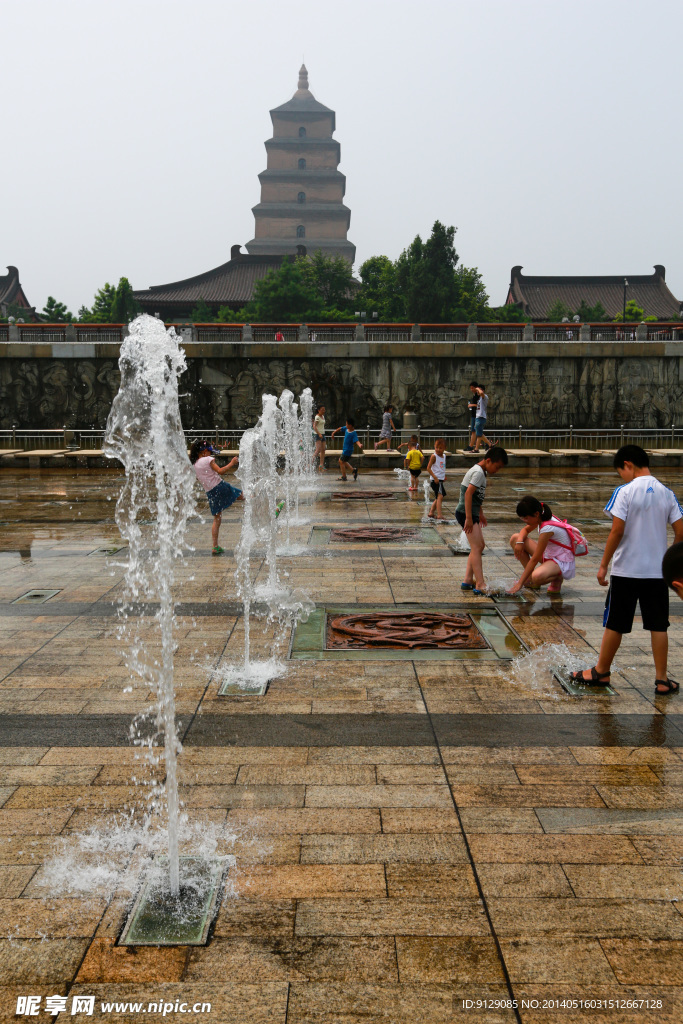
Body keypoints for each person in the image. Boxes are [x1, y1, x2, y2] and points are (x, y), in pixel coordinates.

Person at [570, 445, 683, 693]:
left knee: (615, 623)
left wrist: (603, 565)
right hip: (657, 573)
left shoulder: (624, 491)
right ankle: (662, 680)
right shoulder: (667, 493)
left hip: (626, 572)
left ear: (628, 464)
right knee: (658, 625)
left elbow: (617, 531)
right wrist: (669, 564)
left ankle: (600, 672)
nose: (621, 476)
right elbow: (681, 532)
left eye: (620, 470)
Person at [455, 446, 508, 594]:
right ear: (489, 460)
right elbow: (468, 494)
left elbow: (476, 497)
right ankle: (479, 583)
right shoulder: (478, 473)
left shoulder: (481, 471)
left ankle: (467, 580)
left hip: (471, 513)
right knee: (477, 547)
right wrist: (470, 518)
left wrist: (480, 513)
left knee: (479, 546)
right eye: (497, 467)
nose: (497, 471)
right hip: (466, 513)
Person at [507, 496, 584, 595]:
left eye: (526, 518)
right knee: (515, 538)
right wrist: (520, 542)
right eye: (522, 518)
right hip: (550, 554)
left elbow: (535, 559)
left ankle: (557, 577)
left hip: (561, 560)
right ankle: (530, 580)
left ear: (536, 514)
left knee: (537, 576)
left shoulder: (547, 528)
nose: (525, 521)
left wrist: (520, 583)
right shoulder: (541, 516)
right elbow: (525, 530)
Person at [189, 439, 243, 555]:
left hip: (210, 493)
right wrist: (232, 463)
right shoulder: (207, 459)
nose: (211, 454)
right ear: (204, 451)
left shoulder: (194, 465)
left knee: (217, 518)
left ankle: (215, 546)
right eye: (209, 451)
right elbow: (220, 471)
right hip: (220, 486)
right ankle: (270, 510)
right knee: (243, 496)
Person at [331, 417, 364, 481]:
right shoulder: (346, 428)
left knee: (340, 461)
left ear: (350, 425)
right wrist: (333, 432)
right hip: (345, 449)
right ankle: (353, 470)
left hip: (348, 450)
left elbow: (356, 440)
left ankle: (344, 477)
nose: (345, 425)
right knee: (344, 461)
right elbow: (340, 428)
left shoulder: (353, 433)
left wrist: (359, 445)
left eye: (346, 424)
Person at [427, 438, 448, 519]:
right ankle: (439, 515)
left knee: (439, 496)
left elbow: (441, 467)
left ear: (445, 448)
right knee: (440, 497)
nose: (438, 449)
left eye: (440, 448)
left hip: (440, 480)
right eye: (436, 447)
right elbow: (428, 468)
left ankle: (431, 512)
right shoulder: (434, 456)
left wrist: (443, 476)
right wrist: (435, 477)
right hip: (435, 480)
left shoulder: (444, 456)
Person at [472, 385, 492, 453]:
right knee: (479, 433)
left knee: (479, 434)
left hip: (481, 417)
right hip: (478, 417)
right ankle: (490, 444)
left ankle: (476, 449)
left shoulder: (484, 397)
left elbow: (482, 393)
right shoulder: (479, 398)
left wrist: (477, 388)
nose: (477, 391)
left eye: (478, 390)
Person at [464, 382, 479, 452]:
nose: (471, 389)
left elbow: (479, 405)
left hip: (477, 415)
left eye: (472, 388)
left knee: (476, 431)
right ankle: (471, 445)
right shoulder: (474, 395)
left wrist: (471, 405)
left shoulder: (478, 395)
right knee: (474, 431)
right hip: (474, 415)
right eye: (471, 388)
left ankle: (488, 443)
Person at [313, 403, 326, 473]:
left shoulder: (323, 416)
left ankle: (321, 465)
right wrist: (319, 433)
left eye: (324, 410)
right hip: (318, 435)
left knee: (323, 450)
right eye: (322, 410)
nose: (324, 411)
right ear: (318, 410)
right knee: (318, 450)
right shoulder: (317, 417)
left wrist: (321, 434)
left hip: (323, 434)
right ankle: (310, 464)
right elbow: (314, 426)